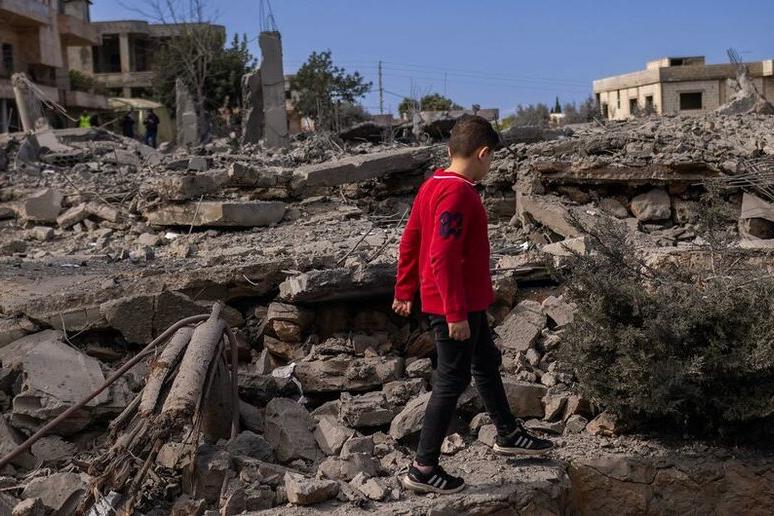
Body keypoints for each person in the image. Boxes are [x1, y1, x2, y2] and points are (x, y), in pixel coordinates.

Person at [393, 116, 554, 495]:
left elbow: (410, 240)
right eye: (491, 158)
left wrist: (404, 289)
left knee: (485, 362)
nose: (490, 165)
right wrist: (454, 314)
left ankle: (508, 433)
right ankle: (423, 468)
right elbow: (441, 256)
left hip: (463, 302)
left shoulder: (433, 184)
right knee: (452, 380)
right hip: (454, 305)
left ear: (450, 150)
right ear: (483, 154)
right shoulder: (459, 195)